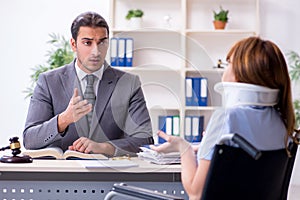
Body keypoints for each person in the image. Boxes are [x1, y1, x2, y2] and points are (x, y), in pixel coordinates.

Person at [151, 36, 299, 199]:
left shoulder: (226, 118)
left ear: (241, 72)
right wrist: (207, 148)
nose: (224, 69)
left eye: (229, 63)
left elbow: (196, 192)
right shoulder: (282, 123)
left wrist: (183, 147)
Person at [23, 11, 154, 157]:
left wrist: (104, 147)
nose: (96, 52)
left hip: (110, 174)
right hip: (62, 173)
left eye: (102, 42)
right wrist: (64, 120)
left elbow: (145, 140)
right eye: (87, 43)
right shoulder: (48, 81)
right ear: (73, 44)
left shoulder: (129, 83)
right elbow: (30, 139)